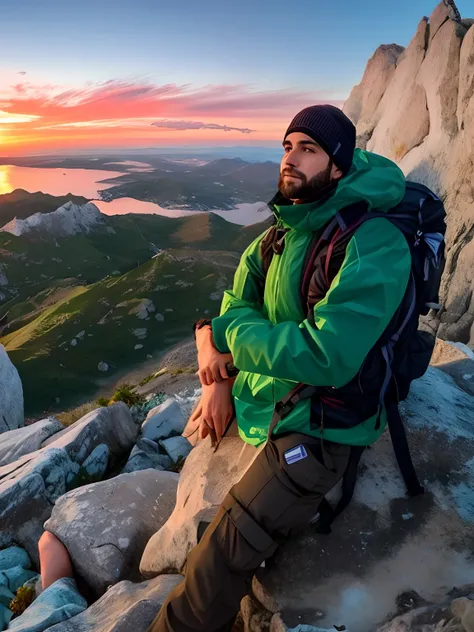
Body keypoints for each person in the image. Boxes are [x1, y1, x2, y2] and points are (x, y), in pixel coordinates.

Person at [147, 104, 412, 632]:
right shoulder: (278, 234)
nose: (290, 158)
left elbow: (326, 356)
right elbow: (232, 306)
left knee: (222, 549)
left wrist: (224, 339)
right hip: (269, 397)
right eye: (287, 146)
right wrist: (218, 375)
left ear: (338, 165)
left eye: (308, 149)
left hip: (324, 423)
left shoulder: (373, 243)